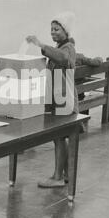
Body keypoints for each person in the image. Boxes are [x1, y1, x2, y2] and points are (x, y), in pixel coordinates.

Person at [26, 11, 79, 188]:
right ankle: (64, 175)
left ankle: (57, 177)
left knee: (58, 138)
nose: (53, 32)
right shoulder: (63, 47)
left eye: (57, 29)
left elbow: (63, 59)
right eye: (51, 29)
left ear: (66, 31)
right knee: (60, 138)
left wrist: (40, 44)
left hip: (65, 102)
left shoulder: (67, 48)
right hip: (59, 101)